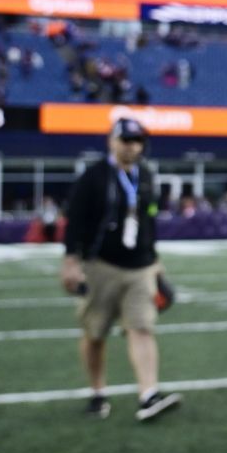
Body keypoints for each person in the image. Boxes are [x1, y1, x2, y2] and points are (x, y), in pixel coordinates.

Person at [60, 117, 181, 422]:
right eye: (125, 140)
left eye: (136, 141)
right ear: (111, 141)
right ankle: (98, 393)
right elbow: (75, 220)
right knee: (95, 333)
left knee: (141, 327)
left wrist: (155, 260)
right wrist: (71, 260)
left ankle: (148, 395)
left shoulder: (148, 177)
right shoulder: (94, 176)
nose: (131, 147)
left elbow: (149, 221)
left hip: (140, 266)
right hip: (100, 264)